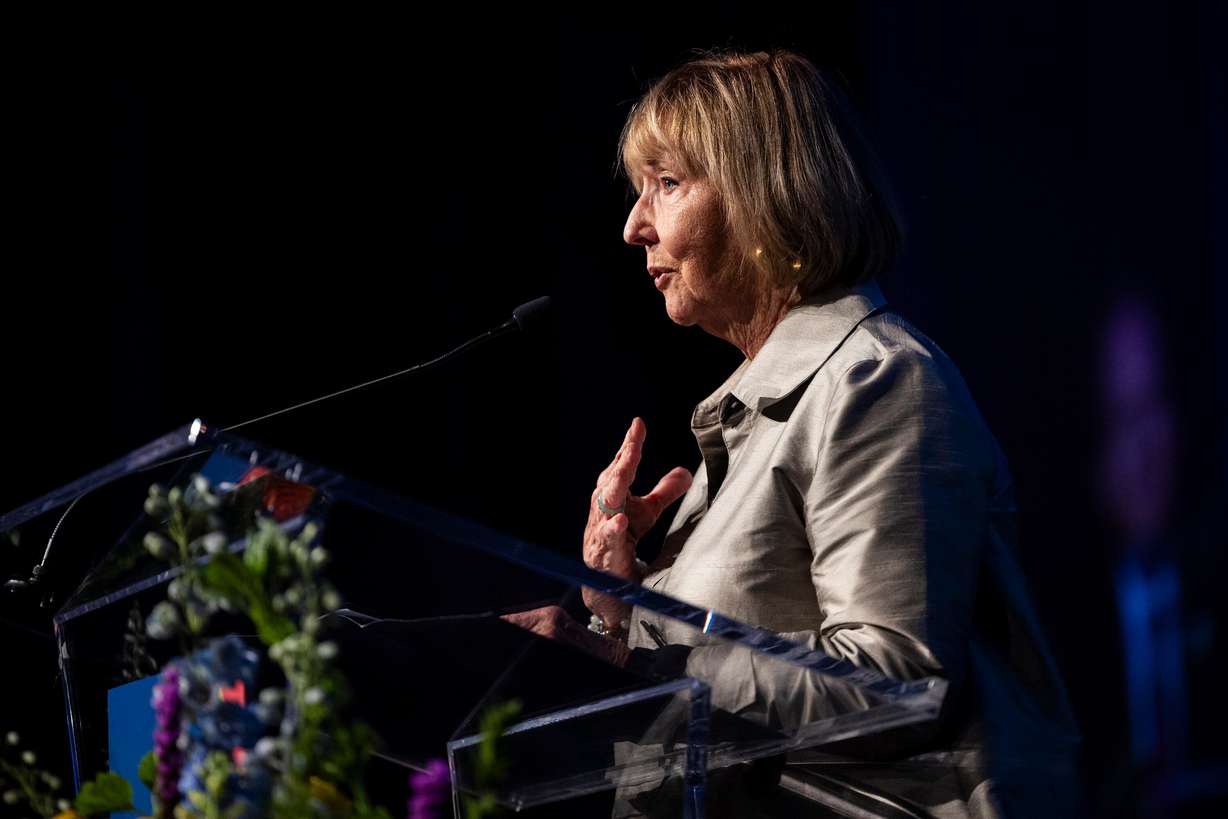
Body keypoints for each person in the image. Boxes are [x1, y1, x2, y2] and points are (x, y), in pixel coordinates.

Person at [507, 49, 1080, 817]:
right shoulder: (753, 422)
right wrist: (621, 603)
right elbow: (737, 661)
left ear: (762, 197)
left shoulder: (875, 382)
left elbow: (894, 682)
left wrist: (627, 665)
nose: (633, 226)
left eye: (667, 185)